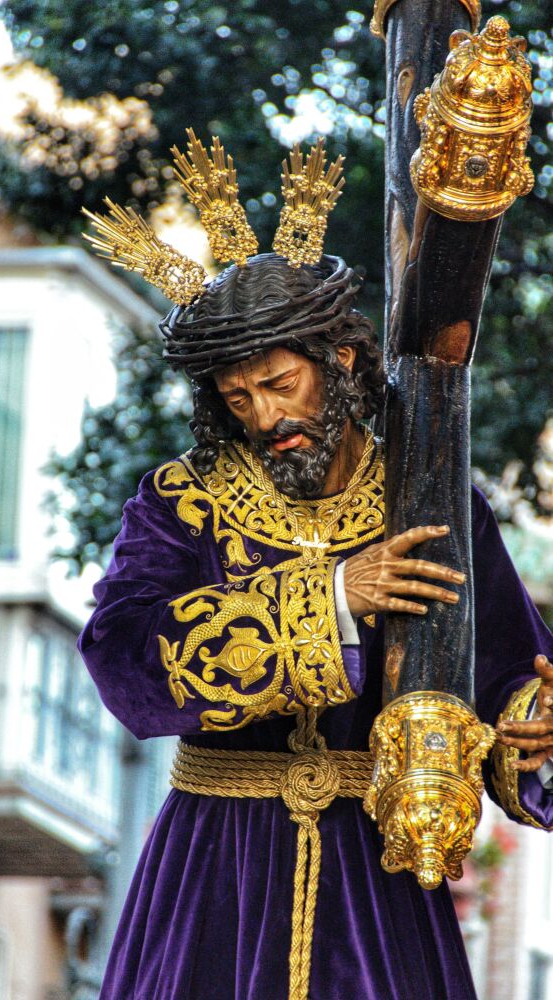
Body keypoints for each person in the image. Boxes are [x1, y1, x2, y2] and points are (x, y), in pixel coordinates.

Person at [80, 133, 553, 998]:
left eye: (276, 383)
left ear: (336, 360)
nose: (263, 417)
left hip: (373, 875)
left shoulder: (433, 497)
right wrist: (334, 595)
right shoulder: (182, 502)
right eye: (237, 398)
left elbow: (503, 677)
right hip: (213, 871)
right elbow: (122, 660)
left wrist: (530, 732)